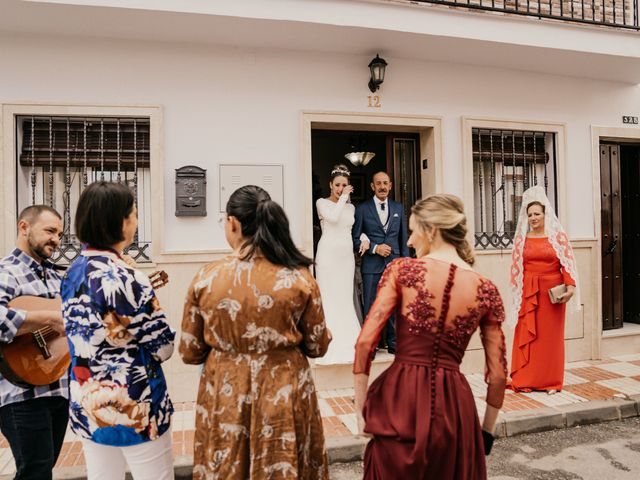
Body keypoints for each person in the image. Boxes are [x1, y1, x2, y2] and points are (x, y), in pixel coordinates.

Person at [179, 185, 331, 480]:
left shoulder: (207, 277)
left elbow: (189, 350)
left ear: (233, 222)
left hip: (226, 393)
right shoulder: (299, 277)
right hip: (285, 393)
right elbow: (318, 345)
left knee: (227, 465)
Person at [353, 194, 507, 479]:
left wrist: (361, 411)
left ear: (432, 231)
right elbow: (497, 375)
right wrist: (486, 433)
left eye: (413, 231)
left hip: (402, 400)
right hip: (455, 409)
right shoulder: (485, 288)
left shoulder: (402, 270)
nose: (409, 241)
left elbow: (365, 342)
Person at [61, 181, 176, 480]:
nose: (136, 222)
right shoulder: (130, 278)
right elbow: (163, 348)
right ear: (121, 221)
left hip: (88, 401)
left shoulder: (73, 271)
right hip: (134, 404)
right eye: (134, 214)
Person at [0, 205, 68, 480]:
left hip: (57, 388)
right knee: (36, 472)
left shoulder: (56, 276)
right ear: (24, 227)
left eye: (60, 234)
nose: (56, 239)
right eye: (50, 231)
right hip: (21, 394)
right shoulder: (7, 272)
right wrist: (47, 318)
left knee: (42, 470)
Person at [509, 186, 580, 394]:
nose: (533, 218)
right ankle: (526, 379)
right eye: (530, 214)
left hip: (552, 294)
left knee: (550, 339)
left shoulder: (558, 237)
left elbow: (566, 264)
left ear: (544, 214)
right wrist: (517, 293)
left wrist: (571, 286)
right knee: (528, 336)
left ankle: (551, 382)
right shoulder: (522, 239)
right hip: (528, 292)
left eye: (536, 214)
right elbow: (516, 269)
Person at [352, 171, 409, 354]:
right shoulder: (362, 209)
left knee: (393, 304)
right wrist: (375, 248)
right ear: (372, 186)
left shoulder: (399, 208)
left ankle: (394, 343)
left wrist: (405, 263)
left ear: (390, 185)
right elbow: (354, 238)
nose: (382, 186)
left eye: (385, 183)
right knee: (371, 305)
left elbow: (403, 238)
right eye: (378, 183)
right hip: (372, 265)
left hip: (394, 264)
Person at [314, 164, 362, 365]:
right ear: (331, 185)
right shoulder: (322, 203)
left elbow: (352, 228)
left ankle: (350, 345)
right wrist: (343, 198)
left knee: (344, 297)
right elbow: (333, 218)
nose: (341, 188)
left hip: (345, 256)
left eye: (344, 185)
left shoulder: (351, 207)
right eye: (338, 185)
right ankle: (327, 345)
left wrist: (365, 237)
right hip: (327, 255)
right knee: (328, 297)